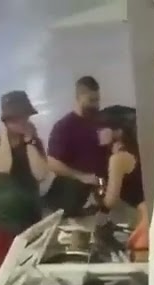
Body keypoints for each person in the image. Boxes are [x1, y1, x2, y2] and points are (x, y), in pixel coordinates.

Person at [0, 91, 49, 276]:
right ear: (6, 120)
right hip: (1, 224)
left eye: (25, 117)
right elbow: (3, 165)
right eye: (17, 118)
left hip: (31, 222)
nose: (23, 121)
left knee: (30, 277)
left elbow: (41, 173)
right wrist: (4, 136)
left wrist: (29, 141)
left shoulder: (34, 143)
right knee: (1, 278)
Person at [45, 76, 105, 215]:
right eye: (91, 101)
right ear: (79, 98)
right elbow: (52, 163)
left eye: (97, 100)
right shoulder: (64, 127)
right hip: (67, 200)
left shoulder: (100, 122)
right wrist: (82, 176)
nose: (96, 105)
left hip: (93, 198)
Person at [96, 105, 148, 259]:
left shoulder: (118, 159)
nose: (97, 133)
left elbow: (111, 200)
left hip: (145, 222)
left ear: (117, 131)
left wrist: (99, 206)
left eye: (101, 129)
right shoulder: (136, 150)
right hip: (148, 216)